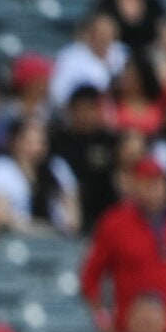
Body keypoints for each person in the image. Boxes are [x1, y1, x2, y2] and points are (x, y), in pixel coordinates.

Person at [81, 158, 166, 332]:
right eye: (149, 182)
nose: (156, 188)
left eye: (160, 182)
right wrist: (102, 320)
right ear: (135, 185)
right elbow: (90, 278)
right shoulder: (115, 222)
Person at [0, 118, 80, 236]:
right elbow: (0, 215)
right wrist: (45, 229)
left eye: (40, 142)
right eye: (29, 142)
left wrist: (68, 226)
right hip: (14, 238)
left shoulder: (57, 168)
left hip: (58, 238)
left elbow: (72, 210)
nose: (35, 148)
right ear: (14, 141)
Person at [48, 85, 118, 231]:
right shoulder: (58, 141)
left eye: (90, 109)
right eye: (80, 109)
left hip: (102, 210)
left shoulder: (109, 141)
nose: (85, 115)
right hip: (68, 212)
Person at [50, 13, 128, 110]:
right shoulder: (70, 56)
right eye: (100, 33)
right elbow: (58, 92)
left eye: (108, 33)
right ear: (90, 33)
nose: (104, 38)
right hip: (81, 111)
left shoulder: (123, 54)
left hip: (119, 111)